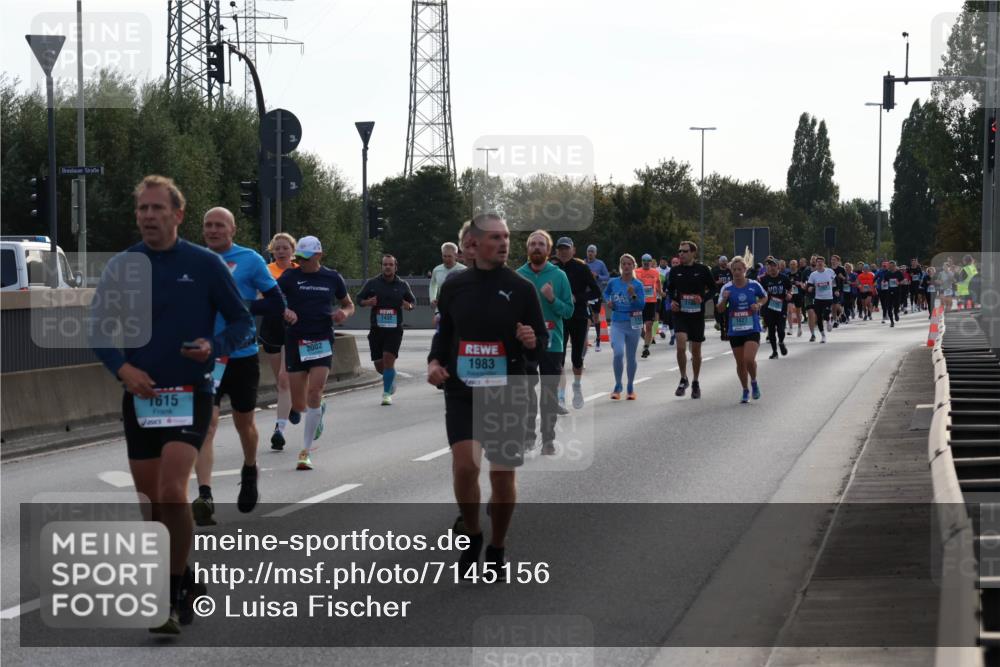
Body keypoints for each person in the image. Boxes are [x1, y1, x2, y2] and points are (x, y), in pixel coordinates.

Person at [91, 175, 253, 633]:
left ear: (177, 215)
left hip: (191, 394)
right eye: (142, 209)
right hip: (141, 399)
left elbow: (243, 325)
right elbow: (99, 330)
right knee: (149, 503)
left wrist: (213, 343)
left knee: (170, 491)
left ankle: (173, 591)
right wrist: (123, 370)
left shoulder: (203, 264)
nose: (148, 216)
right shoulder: (123, 266)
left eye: (157, 208)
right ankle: (183, 569)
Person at [427, 213, 547, 581]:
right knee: (466, 467)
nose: (504, 243)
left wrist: (531, 342)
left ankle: (497, 545)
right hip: (463, 390)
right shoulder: (454, 286)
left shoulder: (522, 288)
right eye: (495, 237)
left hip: (509, 388)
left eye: (507, 236)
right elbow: (445, 333)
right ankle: (474, 533)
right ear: (472, 246)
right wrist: (434, 362)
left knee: (500, 476)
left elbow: (541, 344)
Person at [192, 207, 285, 527]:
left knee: (245, 422)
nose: (213, 230)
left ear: (232, 229)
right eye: (208, 225)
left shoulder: (250, 260)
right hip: (206, 357)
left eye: (220, 225)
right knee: (207, 424)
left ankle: (249, 469)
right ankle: (205, 495)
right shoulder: (193, 260)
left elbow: (277, 303)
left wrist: (243, 305)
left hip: (242, 355)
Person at [278, 236, 355, 471]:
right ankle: (317, 410)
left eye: (305, 258)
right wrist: (285, 310)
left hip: (321, 339)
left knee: (315, 391)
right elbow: (272, 300)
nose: (300, 262)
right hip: (295, 340)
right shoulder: (290, 276)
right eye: (298, 258)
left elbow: (348, 304)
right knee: (300, 404)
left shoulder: (332, 277)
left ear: (318, 256)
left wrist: (344, 314)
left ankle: (305, 451)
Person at [517, 230, 574, 454]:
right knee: (526, 391)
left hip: (553, 342)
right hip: (525, 343)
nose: (537, 248)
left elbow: (569, 311)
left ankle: (548, 440)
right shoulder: (518, 276)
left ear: (548, 251)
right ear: (528, 249)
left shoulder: (559, 276)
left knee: (548, 393)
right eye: (533, 244)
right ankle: (528, 436)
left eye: (541, 244)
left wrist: (552, 299)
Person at [259, 233, 300, 451]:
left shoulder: (299, 270)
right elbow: (258, 296)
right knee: (279, 380)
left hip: (293, 328)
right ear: (272, 251)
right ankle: (289, 404)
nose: (281, 251)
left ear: (292, 250)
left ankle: (279, 430)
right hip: (271, 327)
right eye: (277, 248)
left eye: (285, 248)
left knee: (284, 378)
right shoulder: (266, 270)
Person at [357, 254, 416, 406]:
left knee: (389, 359)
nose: (388, 267)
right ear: (381, 266)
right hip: (377, 329)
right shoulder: (372, 283)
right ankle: (390, 378)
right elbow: (358, 299)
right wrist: (368, 302)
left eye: (390, 264)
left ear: (396, 267)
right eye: (385, 264)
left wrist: (408, 305)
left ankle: (386, 394)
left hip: (394, 329)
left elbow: (412, 302)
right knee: (379, 365)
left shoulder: (402, 285)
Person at [552, 237, 602, 410]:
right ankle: (560, 397)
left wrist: (577, 297)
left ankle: (577, 387)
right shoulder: (552, 267)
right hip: (558, 317)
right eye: (560, 248)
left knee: (576, 359)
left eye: (566, 248)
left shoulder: (581, 267)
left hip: (578, 316)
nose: (563, 251)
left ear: (573, 250)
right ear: (557, 250)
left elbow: (596, 291)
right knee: (558, 358)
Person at [665, 240, 716, 399]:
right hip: (680, 313)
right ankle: (683, 378)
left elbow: (713, 289)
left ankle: (695, 381)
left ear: (693, 253)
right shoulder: (675, 271)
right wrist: (672, 301)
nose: (681, 254)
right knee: (680, 345)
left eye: (685, 251)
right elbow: (669, 290)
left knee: (696, 351)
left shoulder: (702, 270)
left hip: (696, 315)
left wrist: (703, 298)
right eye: (680, 251)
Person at [717, 256, 768, 403]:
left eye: (740, 269)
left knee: (748, 359)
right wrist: (725, 299)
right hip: (735, 330)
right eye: (734, 270)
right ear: (730, 271)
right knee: (740, 363)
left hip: (752, 328)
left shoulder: (753, 285)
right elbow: (719, 309)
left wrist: (758, 305)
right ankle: (745, 390)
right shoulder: (726, 288)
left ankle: (754, 381)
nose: (737, 272)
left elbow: (764, 297)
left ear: (745, 270)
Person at [602, 254, 644, 400]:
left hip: (633, 323)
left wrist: (633, 295)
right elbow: (606, 293)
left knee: (631, 357)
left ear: (633, 266)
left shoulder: (637, 285)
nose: (626, 267)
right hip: (617, 322)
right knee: (618, 353)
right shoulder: (614, 282)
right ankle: (618, 385)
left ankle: (630, 387)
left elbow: (641, 305)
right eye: (624, 264)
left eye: (629, 264)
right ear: (621, 266)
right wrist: (608, 301)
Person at [759, 257, 792, 359]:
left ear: (778, 267)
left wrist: (789, 295)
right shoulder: (764, 280)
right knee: (771, 330)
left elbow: (790, 289)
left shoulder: (784, 278)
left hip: (781, 307)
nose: (771, 268)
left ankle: (781, 342)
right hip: (769, 308)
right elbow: (760, 294)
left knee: (781, 330)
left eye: (773, 265)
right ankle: (774, 352)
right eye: (769, 266)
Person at [635, 254, 663, 358]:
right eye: (644, 261)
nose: (646, 262)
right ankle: (645, 339)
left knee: (649, 325)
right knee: (638, 327)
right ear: (641, 261)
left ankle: (646, 347)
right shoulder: (636, 272)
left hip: (651, 302)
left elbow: (658, 284)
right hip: (639, 302)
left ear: (651, 262)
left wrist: (661, 292)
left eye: (648, 261)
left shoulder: (655, 272)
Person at [806, 255, 838, 343]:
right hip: (818, 298)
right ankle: (823, 335)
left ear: (824, 263)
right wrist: (810, 288)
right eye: (818, 262)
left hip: (828, 297)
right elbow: (809, 285)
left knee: (826, 314)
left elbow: (835, 281)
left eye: (821, 262)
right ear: (816, 264)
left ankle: (828, 320)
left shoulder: (830, 272)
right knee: (819, 317)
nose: (819, 263)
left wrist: (836, 290)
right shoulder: (813, 275)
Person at [430, 242, 466, 316]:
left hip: (460, 309)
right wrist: (432, 298)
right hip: (441, 309)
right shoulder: (437, 270)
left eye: (449, 256)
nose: (446, 259)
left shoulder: (463, 270)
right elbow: (433, 284)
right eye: (444, 256)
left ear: (456, 256)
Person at [585, 245, 610, 351]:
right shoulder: (583, 263)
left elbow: (607, 276)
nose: (590, 253)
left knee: (596, 317)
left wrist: (598, 276)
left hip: (596, 293)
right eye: (589, 251)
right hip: (585, 293)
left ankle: (598, 339)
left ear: (595, 253)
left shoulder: (600, 264)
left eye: (592, 252)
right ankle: (584, 340)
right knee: (585, 318)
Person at [711, 256, 733, 341]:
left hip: (728, 296)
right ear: (719, 262)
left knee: (727, 314)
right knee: (720, 314)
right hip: (718, 295)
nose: (724, 263)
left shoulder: (729, 271)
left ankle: (727, 333)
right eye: (722, 261)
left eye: (725, 261)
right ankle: (722, 333)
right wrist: (718, 282)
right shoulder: (715, 271)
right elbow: (711, 283)